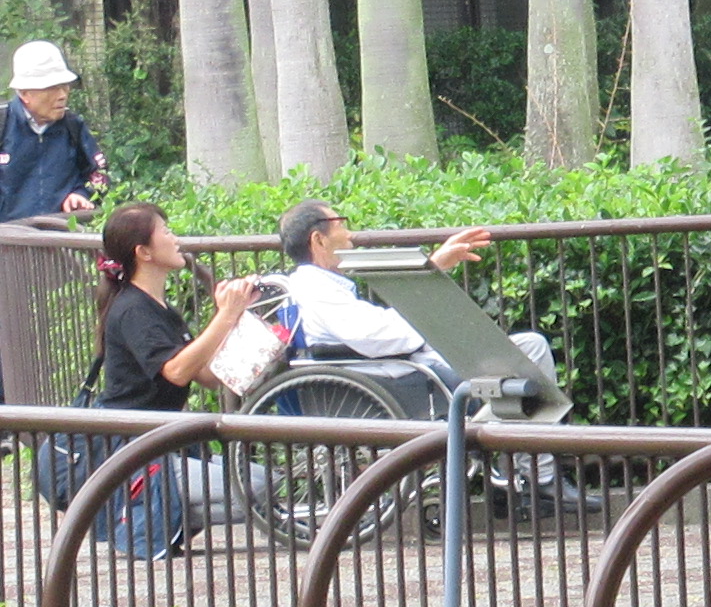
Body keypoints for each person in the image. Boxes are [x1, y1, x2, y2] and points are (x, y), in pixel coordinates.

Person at [276, 198, 596, 512]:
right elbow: (379, 337)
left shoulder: (316, 286)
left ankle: (515, 478)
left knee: (529, 348)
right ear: (318, 239)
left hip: (400, 372)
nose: (350, 234)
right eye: (340, 225)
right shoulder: (317, 290)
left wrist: (432, 276)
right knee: (528, 356)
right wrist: (431, 304)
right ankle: (537, 478)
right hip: (402, 381)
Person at [85, 201, 260, 546]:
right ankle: (143, 513)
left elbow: (206, 375)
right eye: (166, 232)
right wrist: (225, 315)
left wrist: (243, 327)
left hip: (164, 443)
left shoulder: (163, 309)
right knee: (257, 486)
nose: (175, 239)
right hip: (136, 450)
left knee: (263, 479)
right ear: (144, 252)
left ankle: (161, 514)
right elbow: (177, 371)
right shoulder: (132, 309)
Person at [0, 42, 107, 224]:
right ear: (25, 93)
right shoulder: (3, 124)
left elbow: (99, 173)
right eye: (51, 88)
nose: (62, 95)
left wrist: (82, 194)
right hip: (8, 238)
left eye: (64, 86)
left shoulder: (73, 127)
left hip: (62, 236)